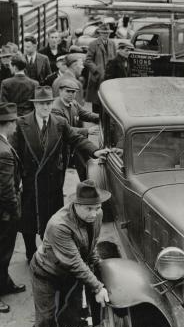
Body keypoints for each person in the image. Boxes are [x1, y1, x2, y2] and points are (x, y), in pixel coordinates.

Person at [12, 86, 110, 264]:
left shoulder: (60, 123)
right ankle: (30, 254)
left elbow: (76, 139)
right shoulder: (21, 123)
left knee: (52, 219)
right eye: (41, 104)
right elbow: (15, 153)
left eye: (48, 103)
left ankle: (49, 252)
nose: (45, 107)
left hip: (52, 182)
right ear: (35, 105)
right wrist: (16, 179)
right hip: (29, 181)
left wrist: (95, 152)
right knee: (29, 220)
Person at [30, 179, 110, 327]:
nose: (94, 213)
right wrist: (98, 287)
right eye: (88, 209)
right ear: (76, 204)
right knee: (47, 320)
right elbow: (74, 262)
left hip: (67, 274)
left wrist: (99, 264)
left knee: (64, 307)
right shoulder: (59, 225)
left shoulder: (97, 214)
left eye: (96, 207)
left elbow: (91, 244)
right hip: (45, 274)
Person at [0, 102, 26, 313]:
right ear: (6, 124)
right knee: (2, 252)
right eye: (14, 122)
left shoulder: (3, 143)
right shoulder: (4, 151)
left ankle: (5, 282)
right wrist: (15, 211)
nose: (16, 125)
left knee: (4, 253)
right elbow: (6, 189)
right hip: (5, 214)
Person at [52, 79, 99, 180]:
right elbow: (65, 129)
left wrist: (102, 117)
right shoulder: (56, 108)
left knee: (84, 167)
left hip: (74, 144)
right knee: (59, 174)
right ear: (60, 91)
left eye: (73, 92)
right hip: (61, 147)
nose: (71, 94)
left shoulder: (73, 103)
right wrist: (86, 131)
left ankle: (86, 190)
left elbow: (85, 114)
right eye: (67, 91)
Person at [85, 24, 116, 112]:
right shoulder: (93, 44)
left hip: (109, 78)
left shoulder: (112, 44)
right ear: (100, 33)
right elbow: (88, 60)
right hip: (97, 78)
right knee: (97, 102)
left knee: (108, 102)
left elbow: (114, 59)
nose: (106, 35)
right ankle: (96, 121)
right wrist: (96, 71)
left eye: (107, 33)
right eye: (103, 33)